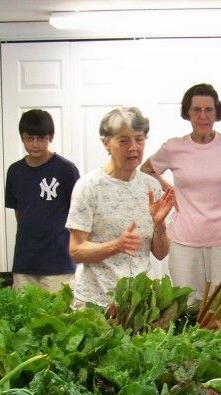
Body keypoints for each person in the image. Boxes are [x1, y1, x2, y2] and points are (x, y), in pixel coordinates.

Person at [141, 83, 221, 300]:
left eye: (209, 110)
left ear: (217, 113)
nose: (203, 116)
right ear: (187, 113)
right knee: (185, 307)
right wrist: (168, 187)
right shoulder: (173, 147)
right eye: (196, 110)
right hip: (184, 242)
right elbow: (146, 170)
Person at [67, 106, 175, 308]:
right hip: (95, 303)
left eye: (139, 139)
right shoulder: (89, 186)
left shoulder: (151, 186)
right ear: (106, 144)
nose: (133, 147)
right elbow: (76, 250)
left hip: (136, 304)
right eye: (124, 140)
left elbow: (160, 253)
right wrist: (116, 245)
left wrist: (159, 226)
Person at [5, 109, 80, 292]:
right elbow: (19, 212)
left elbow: (79, 213)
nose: (35, 144)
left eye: (41, 138)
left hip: (58, 262)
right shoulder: (15, 172)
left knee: (60, 317)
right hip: (25, 262)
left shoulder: (66, 170)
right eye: (29, 138)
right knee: (25, 317)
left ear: (51, 137)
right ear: (22, 138)